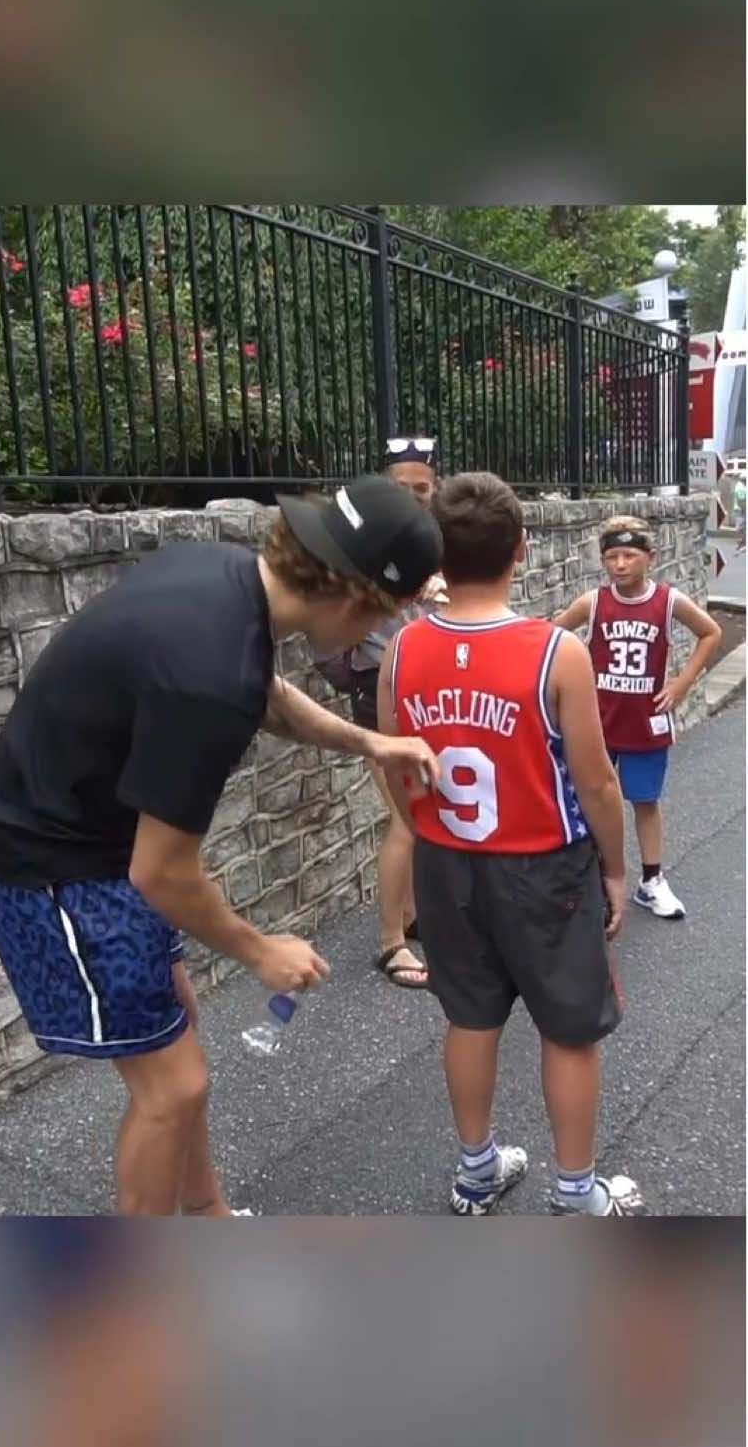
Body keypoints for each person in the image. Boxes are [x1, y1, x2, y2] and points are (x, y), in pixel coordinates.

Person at [0, 474, 442, 1216]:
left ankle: (209, 1215)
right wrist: (260, 949)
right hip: (47, 864)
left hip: (93, 837)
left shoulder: (223, 578)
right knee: (172, 1085)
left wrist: (370, 739)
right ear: (353, 600)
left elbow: (268, 693)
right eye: (389, 615)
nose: (381, 634)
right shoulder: (207, 676)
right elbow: (164, 872)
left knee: (177, 1020)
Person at [378, 471, 646, 1216]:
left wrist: (422, 827)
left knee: (470, 1017)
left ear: (438, 554)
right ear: (522, 551)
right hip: (542, 866)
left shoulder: (401, 653)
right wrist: (617, 871)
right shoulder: (555, 652)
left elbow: (389, 761)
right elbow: (597, 784)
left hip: (447, 862)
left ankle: (474, 1171)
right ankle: (573, 1192)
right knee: (569, 1030)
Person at [315, 436, 446, 990]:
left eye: (423, 488)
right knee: (407, 822)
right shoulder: (363, 547)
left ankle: (412, 916)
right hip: (379, 694)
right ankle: (391, 942)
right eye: (402, 489)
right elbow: (332, 632)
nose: (414, 497)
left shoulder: (437, 542)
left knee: (421, 816)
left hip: (430, 693)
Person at [554, 515, 721, 919]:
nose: (621, 564)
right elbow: (549, 636)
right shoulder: (593, 602)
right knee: (587, 798)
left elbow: (711, 632)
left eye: (630, 555)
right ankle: (586, 878)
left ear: (651, 557)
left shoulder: (667, 601)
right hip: (597, 720)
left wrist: (680, 684)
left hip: (644, 720)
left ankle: (651, 879)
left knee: (645, 800)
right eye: (612, 556)